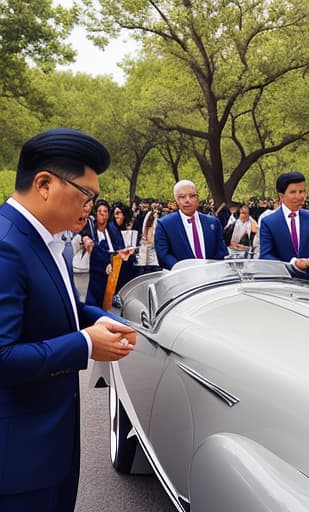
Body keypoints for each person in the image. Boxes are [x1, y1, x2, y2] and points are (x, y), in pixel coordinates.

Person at [0, 128, 136, 511]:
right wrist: (89, 343)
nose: (90, 205)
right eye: (86, 194)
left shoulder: (45, 238)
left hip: (51, 445)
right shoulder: (7, 245)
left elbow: (63, 309)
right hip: (18, 459)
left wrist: (103, 320)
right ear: (44, 184)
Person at [259, 172, 309, 281]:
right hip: (282, 283)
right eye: (293, 192)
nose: (299, 196)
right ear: (281, 196)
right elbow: (266, 257)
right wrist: (293, 264)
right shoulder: (269, 222)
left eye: (302, 191)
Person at [154, 180, 228, 270]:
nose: (187, 200)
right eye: (182, 197)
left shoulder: (213, 222)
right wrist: (183, 270)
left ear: (197, 198)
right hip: (181, 278)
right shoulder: (165, 224)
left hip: (211, 277)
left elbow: (221, 252)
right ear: (176, 200)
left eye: (192, 196)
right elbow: (163, 255)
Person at [81, 200, 132, 306]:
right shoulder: (90, 229)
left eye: (105, 211)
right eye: (99, 211)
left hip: (115, 265)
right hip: (97, 269)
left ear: (108, 215)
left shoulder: (112, 229)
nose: (102, 214)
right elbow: (91, 247)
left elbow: (120, 247)